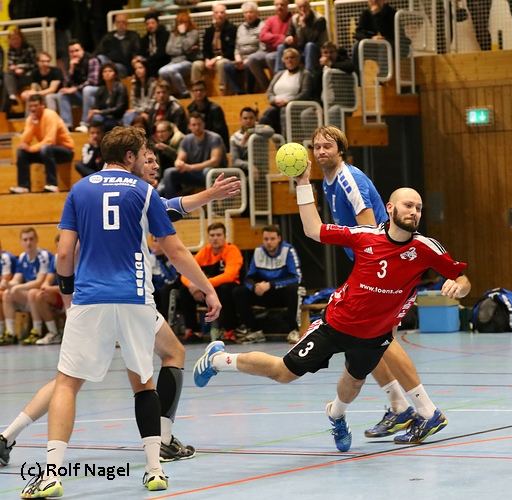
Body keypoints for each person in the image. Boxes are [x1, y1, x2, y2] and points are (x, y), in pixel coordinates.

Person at [193, 162, 470, 452]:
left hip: (374, 337)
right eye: (408, 205)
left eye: (419, 208)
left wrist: (458, 287)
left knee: (352, 385)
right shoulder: (365, 236)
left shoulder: (426, 248)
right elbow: (313, 230)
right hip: (335, 325)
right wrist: (303, 183)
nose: (414, 212)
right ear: (390, 208)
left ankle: (335, 415)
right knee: (283, 372)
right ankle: (218, 359)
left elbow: (462, 278)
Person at [0, 146, 241, 471]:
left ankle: (9, 436)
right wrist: (208, 286)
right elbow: (173, 232)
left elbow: (172, 206)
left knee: (68, 381)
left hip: (90, 300)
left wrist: (68, 296)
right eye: (147, 159)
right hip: (129, 297)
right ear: (131, 159)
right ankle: (160, 447)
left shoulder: (90, 192)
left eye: (155, 161)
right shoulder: (138, 194)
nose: (152, 166)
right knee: (160, 364)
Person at [312, 125, 455, 444]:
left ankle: (427, 411)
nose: (321, 151)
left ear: (341, 150)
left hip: (385, 268)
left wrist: (372, 274)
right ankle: (399, 407)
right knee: (364, 338)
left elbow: (368, 229)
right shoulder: (328, 180)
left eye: (327, 146)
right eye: (316, 146)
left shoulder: (348, 179)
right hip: (371, 267)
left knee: (382, 338)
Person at [231, 224, 302, 344]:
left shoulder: (288, 250)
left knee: (293, 289)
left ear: (279, 238)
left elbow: (296, 277)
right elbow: (248, 278)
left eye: (272, 239)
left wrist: (270, 285)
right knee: (238, 292)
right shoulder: (258, 251)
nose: (269, 242)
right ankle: (255, 331)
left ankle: (294, 330)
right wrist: (255, 287)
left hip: (283, 294)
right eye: (266, 239)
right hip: (264, 294)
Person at [179, 222, 243, 344]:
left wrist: (202, 285)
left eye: (218, 235)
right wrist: (192, 285)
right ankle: (194, 331)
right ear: (208, 237)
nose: (215, 238)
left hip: (225, 288)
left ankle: (230, 331)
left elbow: (229, 276)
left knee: (226, 289)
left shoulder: (232, 250)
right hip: (208, 290)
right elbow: (185, 272)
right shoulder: (204, 252)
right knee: (184, 290)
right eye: (212, 235)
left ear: (225, 237)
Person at [9, 94, 75, 194]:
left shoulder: (50, 115)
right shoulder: (31, 119)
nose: (33, 109)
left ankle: (52, 184)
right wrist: (32, 127)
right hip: (47, 151)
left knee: (45, 149)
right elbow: (24, 142)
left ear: (43, 105)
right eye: (30, 106)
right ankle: (24, 186)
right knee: (21, 152)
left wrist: (31, 149)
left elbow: (50, 141)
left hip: (66, 151)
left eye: (35, 105)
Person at [0, 227, 52, 345]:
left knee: (32, 292)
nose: (28, 243)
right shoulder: (23, 257)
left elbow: (39, 282)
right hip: (29, 295)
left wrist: (18, 287)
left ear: (36, 239)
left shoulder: (43, 255)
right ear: (21, 242)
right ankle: (10, 333)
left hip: (44, 295)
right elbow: (16, 279)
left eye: (31, 239)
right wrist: (8, 284)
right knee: (7, 294)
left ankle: (37, 331)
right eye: (25, 240)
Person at [159, 111, 227, 198]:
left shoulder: (214, 138)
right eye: (194, 125)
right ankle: (171, 204)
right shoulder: (186, 139)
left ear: (204, 124)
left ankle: (213, 204)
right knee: (169, 172)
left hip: (213, 173)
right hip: (194, 173)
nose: (197, 127)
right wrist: (179, 164)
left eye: (199, 124)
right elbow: (179, 159)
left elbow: (215, 161)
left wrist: (190, 167)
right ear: (189, 126)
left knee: (207, 171)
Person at [258, 48, 313, 135]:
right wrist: (274, 100)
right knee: (268, 113)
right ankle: (256, 137)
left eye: (292, 57)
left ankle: (286, 140)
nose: (289, 60)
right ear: (283, 60)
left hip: (294, 106)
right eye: (287, 58)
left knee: (284, 111)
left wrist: (288, 101)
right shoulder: (279, 74)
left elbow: (305, 93)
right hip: (277, 104)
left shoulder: (305, 74)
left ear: (298, 59)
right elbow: (270, 91)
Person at [25, 234, 64, 345]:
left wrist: (52, 288)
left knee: (71, 293)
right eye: (58, 246)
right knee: (38, 295)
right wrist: (46, 286)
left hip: (75, 295)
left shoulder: (77, 258)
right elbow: (48, 280)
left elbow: (75, 286)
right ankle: (53, 332)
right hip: (61, 295)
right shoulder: (56, 259)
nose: (60, 249)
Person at [192, 3, 237, 96]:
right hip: (211, 59)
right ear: (213, 15)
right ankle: (196, 91)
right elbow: (205, 49)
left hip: (225, 58)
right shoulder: (209, 31)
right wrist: (207, 59)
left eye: (221, 12)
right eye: (217, 13)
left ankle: (222, 92)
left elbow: (231, 50)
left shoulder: (232, 29)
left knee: (221, 64)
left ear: (226, 15)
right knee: (196, 65)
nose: (219, 15)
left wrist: (216, 59)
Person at [58, 39, 100, 134]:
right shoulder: (71, 63)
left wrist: (75, 89)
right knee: (62, 94)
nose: (74, 54)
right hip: (81, 95)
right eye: (71, 52)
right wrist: (71, 69)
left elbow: (93, 81)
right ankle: (67, 126)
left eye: (77, 51)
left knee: (87, 90)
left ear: (82, 50)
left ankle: (85, 123)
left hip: (95, 94)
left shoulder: (92, 60)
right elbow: (65, 85)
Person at [274, 0, 327, 76]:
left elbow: (312, 39)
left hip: (316, 49)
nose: (303, 9)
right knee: (281, 47)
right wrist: (288, 38)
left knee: (309, 45)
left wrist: (303, 25)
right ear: (296, 8)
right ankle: (279, 76)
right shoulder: (294, 19)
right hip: (300, 49)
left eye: (304, 6)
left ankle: (308, 76)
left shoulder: (319, 19)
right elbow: (289, 33)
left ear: (309, 6)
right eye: (300, 7)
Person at [249, 0, 292, 91]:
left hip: (285, 52)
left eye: (282, 4)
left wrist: (272, 40)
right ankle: (268, 87)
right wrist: (281, 38)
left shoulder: (292, 19)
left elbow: (290, 40)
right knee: (252, 59)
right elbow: (262, 36)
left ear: (287, 5)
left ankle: (279, 86)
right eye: (277, 4)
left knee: (270, 57)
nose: (279, 7)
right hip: (269, 51)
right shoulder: (270, 20)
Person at [225, 1, 264, 95]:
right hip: (241, 59)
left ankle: (250, 91)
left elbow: (262, 48)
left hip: (255, 58)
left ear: (257, 13)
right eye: (246, 12)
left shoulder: (262, 26)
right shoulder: (241, 28)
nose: (248, 15)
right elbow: (237, 46)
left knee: (249, 65)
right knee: (227, 66)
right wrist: (238, 58)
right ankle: (238, 91)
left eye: (251, 12)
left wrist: (248, 59)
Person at [159, 11, 200, 98]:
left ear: (188, 22)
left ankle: (185, 93)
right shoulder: (173, 34)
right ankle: (169, 93)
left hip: (187, 61)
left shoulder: (193, 33)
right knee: (162, 71)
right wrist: (182, 50)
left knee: (171, 70)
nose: (181, 25)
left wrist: (183, 34)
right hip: (174, 61)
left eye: (184, 22)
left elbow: (186, 47)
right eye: (179, 23)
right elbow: (168, 50)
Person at [229, 106, 274, 177]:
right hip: (244, 170)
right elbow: (235, 160)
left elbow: (270, 131)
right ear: (240, 119)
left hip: (261, 171)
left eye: (251, 118)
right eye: (245, 118)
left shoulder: (262, 129)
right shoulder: (234, 137)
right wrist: (250, 166)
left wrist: (250, 132)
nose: (248, 120)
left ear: (255, 118)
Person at [186, 79, 230, 149]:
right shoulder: (190, 109)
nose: (199, 92)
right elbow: (189, 131)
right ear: (192, 92)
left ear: (205, 91)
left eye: (201, 90)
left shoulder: (215, 109)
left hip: (213, 145)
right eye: (196, 90)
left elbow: (219, 133)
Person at [96, 13, 141, 77]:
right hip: (108, 62)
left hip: (124, 65)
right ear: (115, 23)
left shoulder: (133, 36)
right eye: (118, 22)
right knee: (100, 58)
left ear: (127, 24)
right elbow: (99, 50)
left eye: (123, 22)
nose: (120, 24)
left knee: (114, 68)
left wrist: (135, 59)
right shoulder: (108, 36)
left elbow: (137, 51)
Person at [87, 62, 128, 131]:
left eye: (110, 71)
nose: (107, 73)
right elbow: (97, 106)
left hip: (117, 117)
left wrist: (101, 112)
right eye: (104, 71)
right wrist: (94, 111)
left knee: (106, 123)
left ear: (115, 74)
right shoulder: (101, 89)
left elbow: (119, 108)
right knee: (96, 117)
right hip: (104, 116)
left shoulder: (121, 87)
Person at [4, 28, 37, 108]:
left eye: (16, 38)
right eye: (12, 39)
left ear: (21, 38)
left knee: (6, 86)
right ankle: (12, 96)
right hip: (15, 76)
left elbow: (33, 64)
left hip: (28, 75)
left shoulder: (29, 48)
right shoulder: (10, 50)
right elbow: (10, 64)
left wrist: (20, 68)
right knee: (7, 75)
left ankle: (9, 101)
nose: (14, 41)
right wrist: (15, 69)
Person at [124, 58, 156, 126]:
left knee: (141, 119)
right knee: (127, 115)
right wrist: (139, 111)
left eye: (140, 68)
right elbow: (133, 102)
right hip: (138, 112)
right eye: (136, 69)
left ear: (146, 69)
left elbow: (153, 102)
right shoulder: (135, 85)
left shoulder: (153, 83)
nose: (138, 70)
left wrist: (141, 111)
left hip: (150, 112)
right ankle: (128, 132)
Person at [139, 12, 171, 80]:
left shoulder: (165, 35)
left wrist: (147, 59)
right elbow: (142, 52)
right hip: (149, 62)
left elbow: (162, 53)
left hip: (163, 61)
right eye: (148, 24)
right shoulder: (145, 39)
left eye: (152, 23)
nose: (150, 26)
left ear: (158, 23)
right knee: (139, 66)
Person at [0, 241, 19, 340]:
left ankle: (5, 331)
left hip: (14, 289)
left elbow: (6, 280)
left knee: (2, 294)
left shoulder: (5, 258)